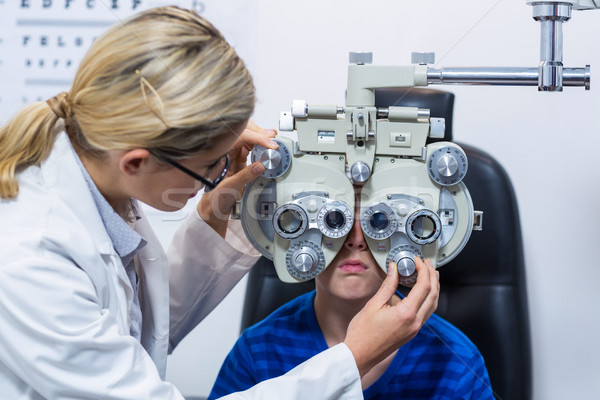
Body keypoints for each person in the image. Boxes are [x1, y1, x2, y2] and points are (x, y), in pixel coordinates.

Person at [0, 6, 440, 400]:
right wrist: (353, 358)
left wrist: (218, 211)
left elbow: (143, 325)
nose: (215, 178)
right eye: (211, 167)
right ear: (136, 161)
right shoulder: (31, 257)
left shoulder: (100, 181)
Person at [209, 189, 495, 400]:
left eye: (378, 221)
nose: (355, 239)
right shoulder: (257, 351)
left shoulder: (455, 360)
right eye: (335, 219)